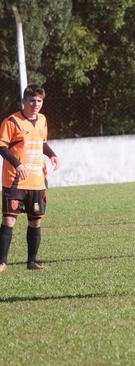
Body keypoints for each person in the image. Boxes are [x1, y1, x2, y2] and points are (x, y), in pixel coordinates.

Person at [0, 84, 60, 272]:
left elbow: (42, 143)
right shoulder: (12, 121)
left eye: (39, 101)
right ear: (24, 101)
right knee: (9, 220)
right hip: (15, 180)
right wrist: (17, 164)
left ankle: (32, 261)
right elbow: (2, 147)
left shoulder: (42, 120)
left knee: (36, 221)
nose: (36, 104)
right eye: (32, 100)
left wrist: (52, 154)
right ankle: (2, 262)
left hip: (37, 180)